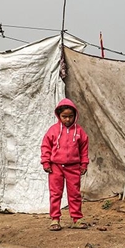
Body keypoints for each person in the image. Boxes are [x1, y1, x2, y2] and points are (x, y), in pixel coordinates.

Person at [41, 98, 89, 230]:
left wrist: (84, 164)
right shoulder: (53, 130)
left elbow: (84, 149)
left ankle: (77, 219)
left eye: (70, 116)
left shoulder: (79, 132)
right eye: (64, 116)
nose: (67, 119)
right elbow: (46, 146)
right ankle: (55, 219)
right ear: (59, 115)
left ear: (75, 115)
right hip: (55, 167)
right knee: (55, 193)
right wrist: (46, 162)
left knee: (75, 194)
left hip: (73, 167)